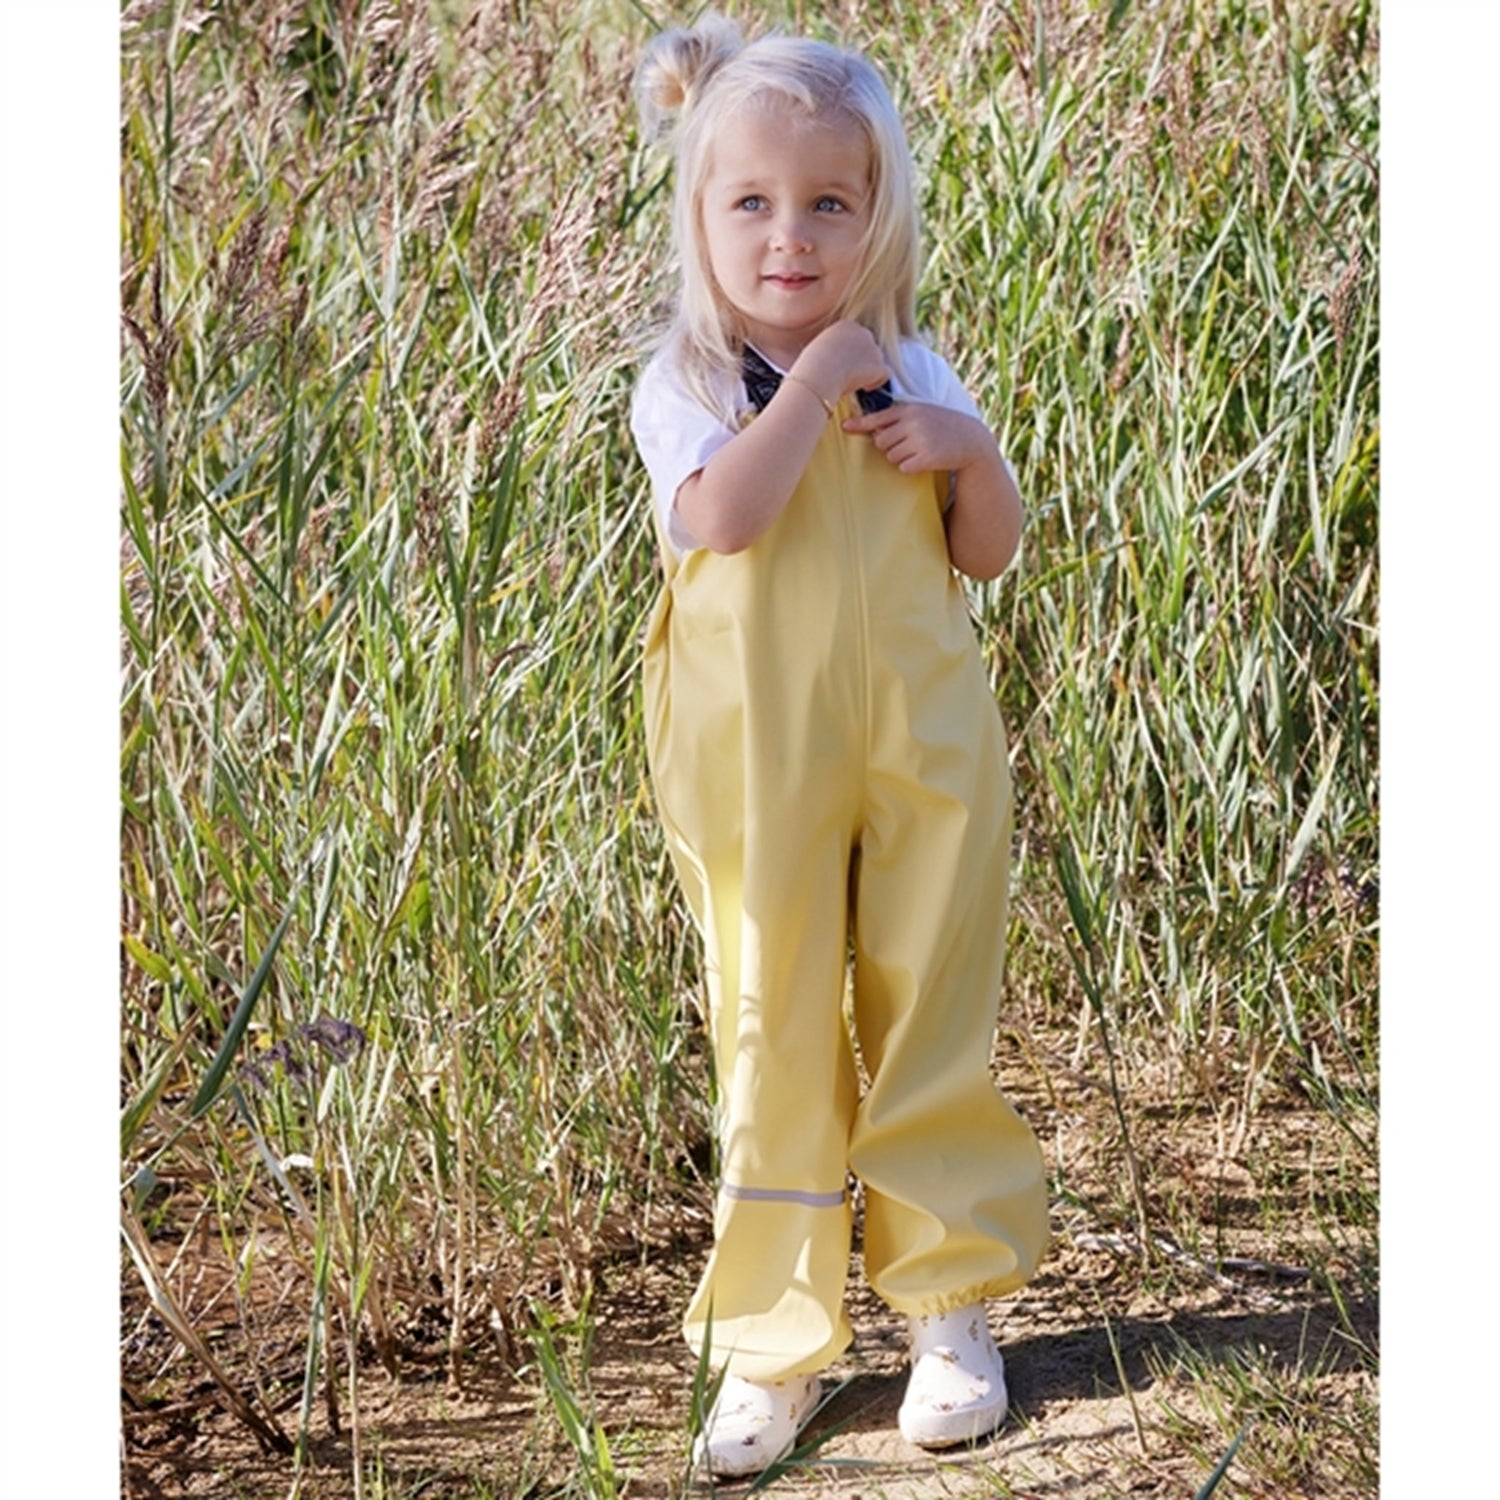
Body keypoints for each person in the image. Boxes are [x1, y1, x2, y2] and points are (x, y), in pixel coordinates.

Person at [628, 14, 1050, 1478]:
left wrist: (969, 452)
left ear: (879, 217)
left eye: (828, 203)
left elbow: (984, 552)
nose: (790, 237)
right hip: (759, 760)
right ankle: (775, 1343)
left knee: (932, 998)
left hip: (922, 740)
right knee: (774, 1013)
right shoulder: (693, 384)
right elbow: (729, 516)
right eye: (751, 202)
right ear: (701, 217)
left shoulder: (914, 367)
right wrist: (816, 387)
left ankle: (949, 1306)